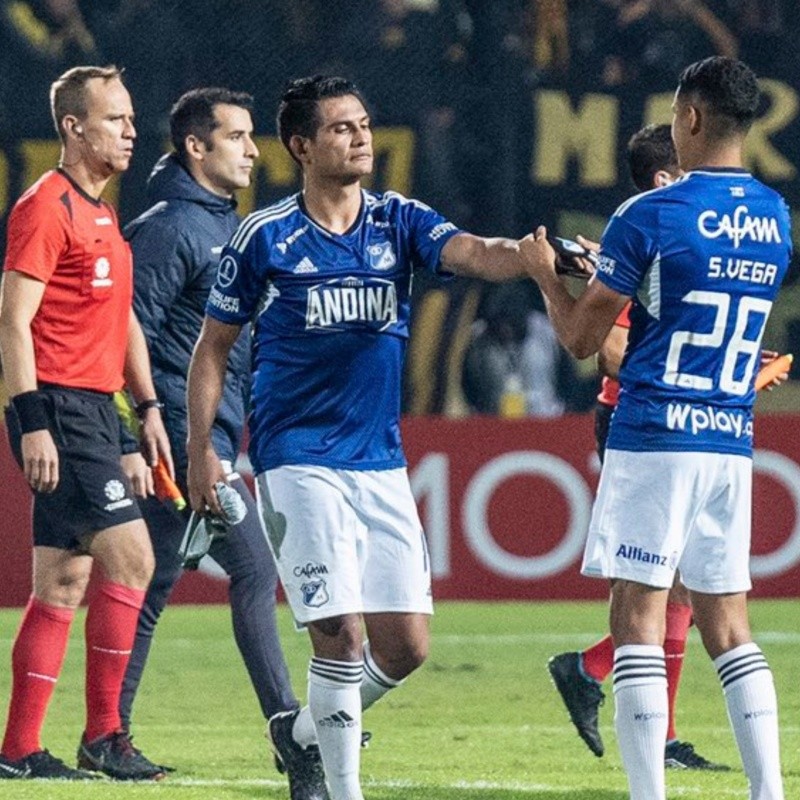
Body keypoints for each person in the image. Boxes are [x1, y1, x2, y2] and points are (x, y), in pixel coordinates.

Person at [185, 74, 543, 800]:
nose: (360, 137)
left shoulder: (397, 220)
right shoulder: (266, 236)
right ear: (301, 146)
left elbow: (475, 252)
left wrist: (538, 258)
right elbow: (213, 348)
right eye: (342, 127)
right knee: (339, 636)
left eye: (364, 123)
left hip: (379, 458)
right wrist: (203, 448)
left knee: (406, 647)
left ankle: (300, 734)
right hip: (296, 457)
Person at [522, 57, 790, 800]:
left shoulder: (647, 215)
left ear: (693, 118)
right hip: (730, 440)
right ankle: (769, 792)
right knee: (731, 628)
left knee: (637, 618)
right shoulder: (774, 217)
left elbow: (581, 339)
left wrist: (547, 273)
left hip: (655, 432)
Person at [120, 87, 315, 795]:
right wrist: (140, 430)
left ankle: (107, 731)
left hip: (209, 432)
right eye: (236, 136)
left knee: (151, 583)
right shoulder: (172, 227)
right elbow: (124, 329)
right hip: (177, 430)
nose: (253, 149)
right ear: (195, 148)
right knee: (257, 569)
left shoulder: (224, 227)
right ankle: (290, 729)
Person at [0, 65, 172, 781]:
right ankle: (105, 735)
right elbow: (12, 320)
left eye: (131, 118)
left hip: (97, 410)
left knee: (61, 585)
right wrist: (31, 419)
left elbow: (121, 320)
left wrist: (148, 410)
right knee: (133, 559)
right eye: (114, 119)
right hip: (60, 408)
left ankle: (17, 753)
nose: (131, 130)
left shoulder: (102, 212)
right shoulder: (46, 207)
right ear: (73, 127)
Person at [547, 124, 728, 770]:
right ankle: (594, 672)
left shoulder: (668, 242)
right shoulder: (644, 238)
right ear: (665, 178)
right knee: (665, 586)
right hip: (638, 425)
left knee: (674, 588)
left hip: (670, 426)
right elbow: (613, 353)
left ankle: (644, 716)